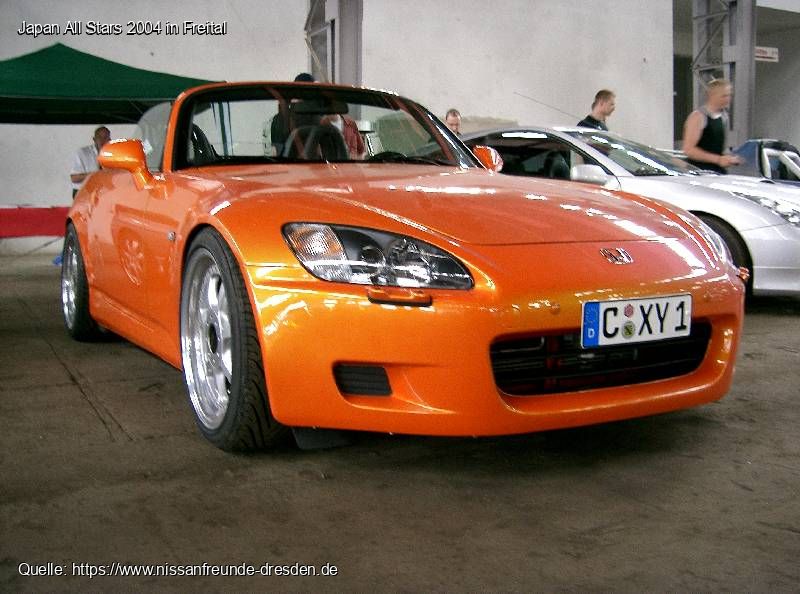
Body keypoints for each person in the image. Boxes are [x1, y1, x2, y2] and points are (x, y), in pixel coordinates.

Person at [682, 78, 742, 174]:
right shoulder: (698, 117)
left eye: (729, 95)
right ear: (712, 95)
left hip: (718, 172)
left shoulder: (724, 117)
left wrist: (729, 158)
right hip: (699, 172)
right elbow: (689, 150)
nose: (728, 99)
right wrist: (718, 159)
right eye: (724, 96)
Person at [70, 126, 110, 198]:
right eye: (100, 137)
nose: (103, 140)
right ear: (94, 139)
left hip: (102, 193)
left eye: (106, 138)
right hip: (83, 192)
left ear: (110, 140)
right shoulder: (83, 153)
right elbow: (74, 178)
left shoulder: (112, 154)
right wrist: (95, 175)